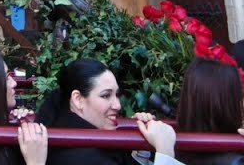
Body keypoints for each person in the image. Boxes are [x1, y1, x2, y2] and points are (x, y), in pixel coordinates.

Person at [35, 58, 180, 165]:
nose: (117, 105)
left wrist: (140, 148)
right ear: (78, 99)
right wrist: (166, 153)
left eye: (116, 95)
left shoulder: (74, 139)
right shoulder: (84, 156)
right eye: (105, 95)